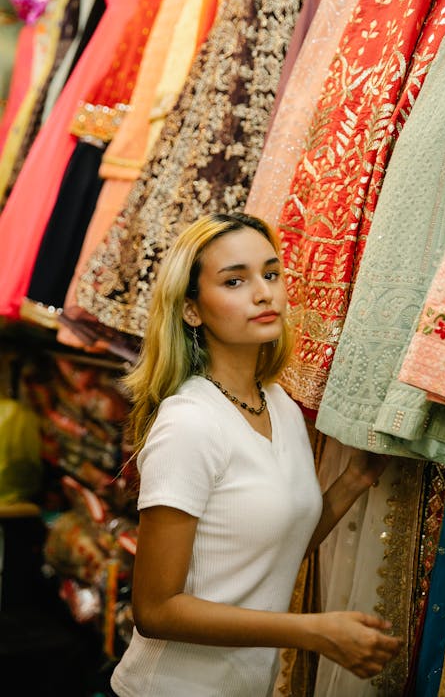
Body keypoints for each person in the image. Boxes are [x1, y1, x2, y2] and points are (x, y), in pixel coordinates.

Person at [110, 212, 401, 697]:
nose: (264, 293)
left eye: (270, 274)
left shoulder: (279, 404)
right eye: (234, 280)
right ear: (191, 310)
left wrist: (354, 479)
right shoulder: (190, 424)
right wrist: (313, 631)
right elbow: (155, 611)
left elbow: (275, 549)